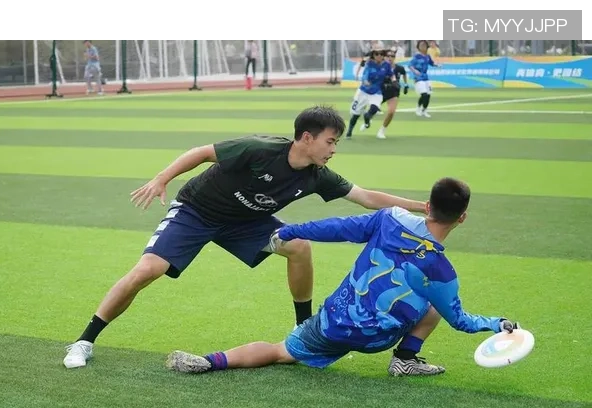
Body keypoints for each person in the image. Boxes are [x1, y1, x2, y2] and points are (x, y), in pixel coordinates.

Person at [63, 105, 428, 369]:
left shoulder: (317, 175)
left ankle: (302, 328)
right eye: (330, 142)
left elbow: (366, 198)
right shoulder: (260, 149)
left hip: (246, 223)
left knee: (298, 246)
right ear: (307, 138)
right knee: (147, 270)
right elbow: (202, 153)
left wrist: (423, 207)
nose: (334, 150)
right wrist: (162, 178)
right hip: (196, 212)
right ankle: (84, 340)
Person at [166, 177, 521, 377]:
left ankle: (210, 361)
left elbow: (338, 227)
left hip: (335, 322)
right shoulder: (442, 271)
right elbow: (460, 320)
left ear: (427, 206)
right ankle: (404, 358)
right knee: (433, 306)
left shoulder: (389, 219)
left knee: (280, 351)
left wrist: (292, 230)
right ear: (462, 218)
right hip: (378, 337)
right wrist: (497, 323)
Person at [345, 49, 392, 139]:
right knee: (356, 114)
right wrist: (365, 81)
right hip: (364, 91)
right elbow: (365, 74)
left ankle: (367, 119)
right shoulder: (369, 64)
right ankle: (350, 130)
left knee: (374, 107)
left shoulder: (386, 65)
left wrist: (393, 81)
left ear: (383, 55)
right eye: (376, 54)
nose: (379, 55)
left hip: (376, 92)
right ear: (373, 55)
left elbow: (390, 74)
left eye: (381, 54)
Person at [376, 49, 409, 140]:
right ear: (384, 57)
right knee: (372, 109)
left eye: (392, 56)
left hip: (394, 92)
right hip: (381, 91)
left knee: (391, 112)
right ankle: (367, 122)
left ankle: (382, 130)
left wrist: (406, 84)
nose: (390, 58)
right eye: (388, 56)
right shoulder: (380, 67)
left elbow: (404, 74)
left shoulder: (399, 68)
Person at [409, 40, 442, 118]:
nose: (423, 47)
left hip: (426, 78)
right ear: (418, 47)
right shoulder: (416, 56)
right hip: (418, 78)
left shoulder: (427, 56)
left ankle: (424, 110)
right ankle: (418, 108)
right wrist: (415, 71)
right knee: (424, 94)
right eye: (421, 45)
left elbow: (431, 63)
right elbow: (410, 65)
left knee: (428, 95)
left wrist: (437, 65)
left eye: (424, 45)